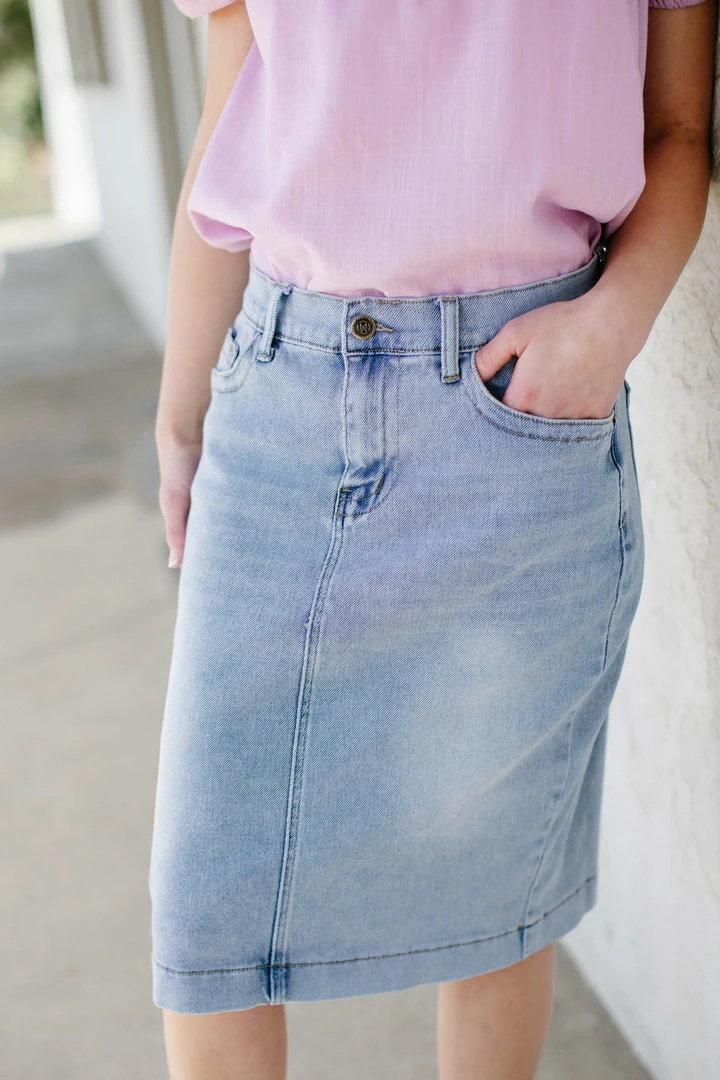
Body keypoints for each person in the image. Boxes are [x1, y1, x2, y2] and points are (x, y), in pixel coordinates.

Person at [148, 2, 717, 1077]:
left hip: (518, 409)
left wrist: (613, 324)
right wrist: (183, 418)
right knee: (206, 919)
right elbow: (233, 109)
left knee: (491, 896)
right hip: (283, 394)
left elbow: (680, 128)